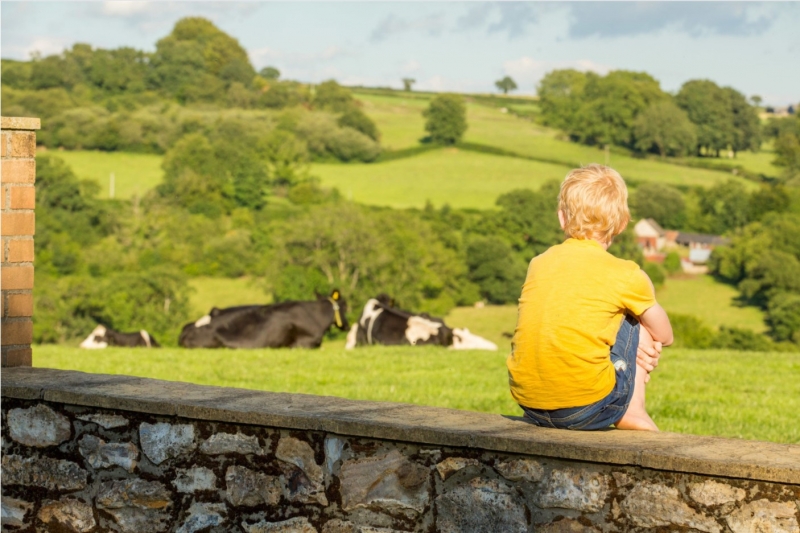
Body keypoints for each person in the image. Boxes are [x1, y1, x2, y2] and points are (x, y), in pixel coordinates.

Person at [507, 164, 673, 431]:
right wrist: (649, 335)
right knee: (636, 317)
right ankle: (634, 409)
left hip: (530, 403)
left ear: (562, 218)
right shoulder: (626, 274)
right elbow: (665, 335)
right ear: (621, 224)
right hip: (587, 407)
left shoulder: (538, 263)